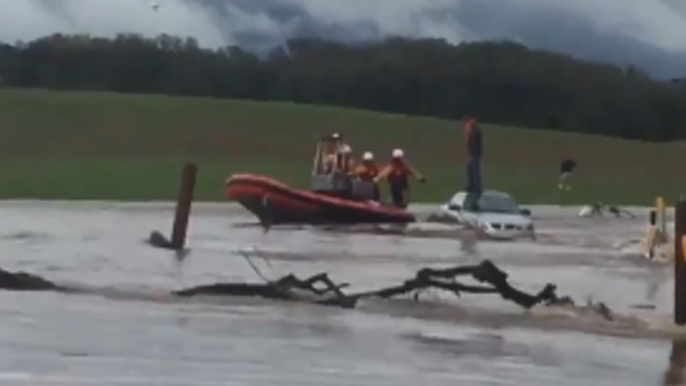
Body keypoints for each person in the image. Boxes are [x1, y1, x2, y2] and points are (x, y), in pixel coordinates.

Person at [463, 116, 483, 210]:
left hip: (475, 154)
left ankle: (476, 187)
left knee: (474, 170)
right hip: (472, 154)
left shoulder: (475, 132)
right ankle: (471, 185)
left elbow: (475, 143)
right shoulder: (470, 132)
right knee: (469, 168)